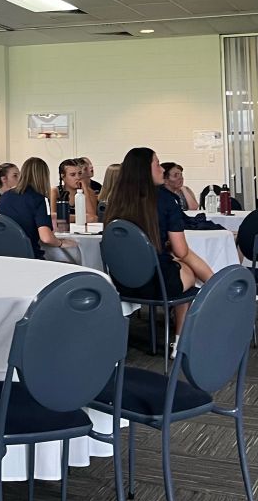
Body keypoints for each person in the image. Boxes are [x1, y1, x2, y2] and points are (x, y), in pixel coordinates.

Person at [105, 147, 214, 351]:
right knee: (185, 269)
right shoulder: (165, 201)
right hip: (159, 285)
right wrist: (211, 278)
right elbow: (182, 251)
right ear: (146, 169)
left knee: (176, 264)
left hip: (122, 284)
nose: (162, 169)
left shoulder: (116, 201)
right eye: (157, 163)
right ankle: (179, 342)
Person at [0, 158, 77, 259]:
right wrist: (61, 243)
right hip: (28, 256)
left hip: (2, 254)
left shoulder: (4, 197)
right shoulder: (40, 200)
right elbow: (46, 238)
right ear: (44, 177)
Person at [49, 158, 98, 223]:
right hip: (61, 230)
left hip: (82, 231)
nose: (78, 177)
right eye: (73, 175)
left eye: (80, 173)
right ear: (63, 176)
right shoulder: (55, 191)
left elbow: (92, 218)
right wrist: (82, 218)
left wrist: (85, 189)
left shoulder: (89, 192)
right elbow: (53, 217)